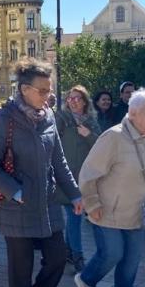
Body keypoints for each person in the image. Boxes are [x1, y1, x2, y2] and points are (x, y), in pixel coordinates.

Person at [0, 57, 82, 287]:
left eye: (50, 90)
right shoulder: (5, 118)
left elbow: (59, 161)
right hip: (17, 207)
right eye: (42, 90)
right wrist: (15, 191)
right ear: (24, 89)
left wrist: (74, 193)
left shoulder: (48, 115)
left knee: (57, 260)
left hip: (48, 205)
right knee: (20, 274)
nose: (48, 96)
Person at [74, 88, 145, 287]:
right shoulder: (112, 136)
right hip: (107, 211)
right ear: (132, 113)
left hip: (138, 212)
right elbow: (87, 173)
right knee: (112, 253)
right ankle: (86, 279)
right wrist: (92, 204)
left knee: (132, 258)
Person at [55, 85, 101, 273]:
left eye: (77, 98)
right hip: (65, 178)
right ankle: (78, 255)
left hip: (84, 178)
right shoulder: (62, 119)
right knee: (75, 217)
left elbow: (101, 145)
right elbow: (51, 141)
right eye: (70, 98)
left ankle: (68, 251)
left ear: (85, 102)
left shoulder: (91, 121)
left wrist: (88, 135)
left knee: (75, 216)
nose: (73, 101)